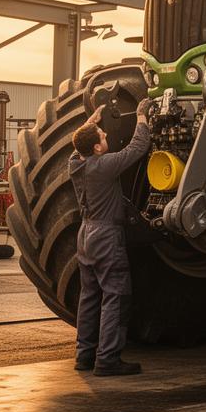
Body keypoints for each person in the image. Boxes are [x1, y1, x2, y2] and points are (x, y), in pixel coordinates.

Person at [69, 99, 152, 376]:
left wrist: (90, 122)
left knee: (90, 296)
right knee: (116, 295)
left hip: (86, 236)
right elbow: (137, 148)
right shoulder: (103, 166)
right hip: (106, 236)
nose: (105, 137)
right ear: (96, 148)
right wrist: (141, 117)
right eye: (102, 137)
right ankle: (108, 359)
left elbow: (77, 145)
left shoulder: (76, 165)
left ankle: (84, 356)